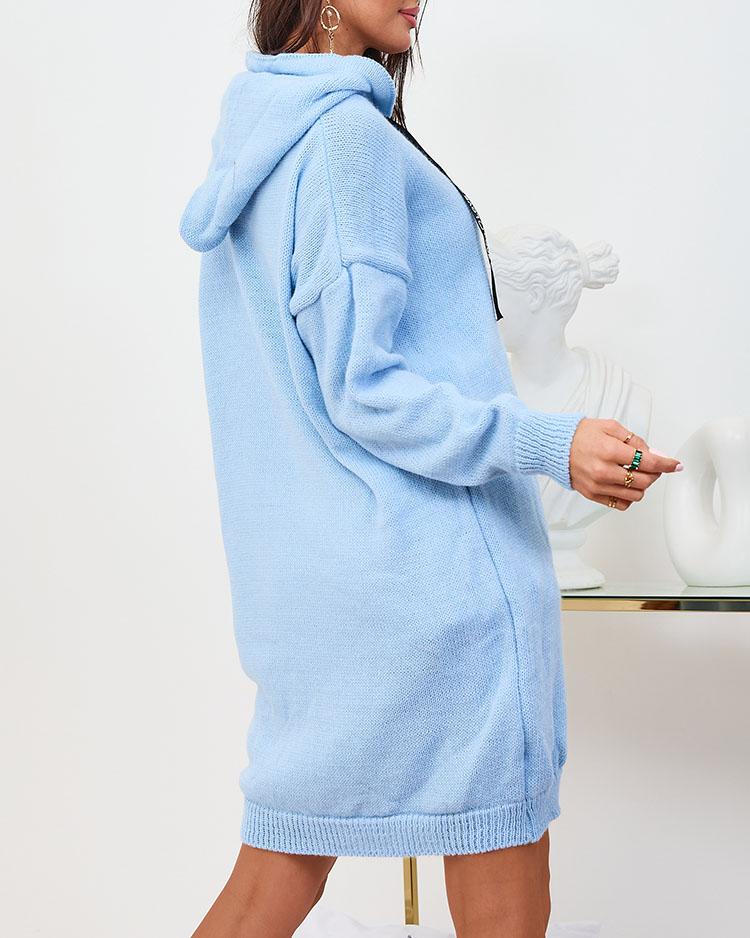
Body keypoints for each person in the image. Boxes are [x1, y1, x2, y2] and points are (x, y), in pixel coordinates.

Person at [178, 3, 682, 937]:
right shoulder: (347, 138)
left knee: (273, 875)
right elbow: (365, 387)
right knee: (499, 880)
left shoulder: (259, 139)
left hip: (315, 596)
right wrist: (553, 442)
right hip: (437, 583)